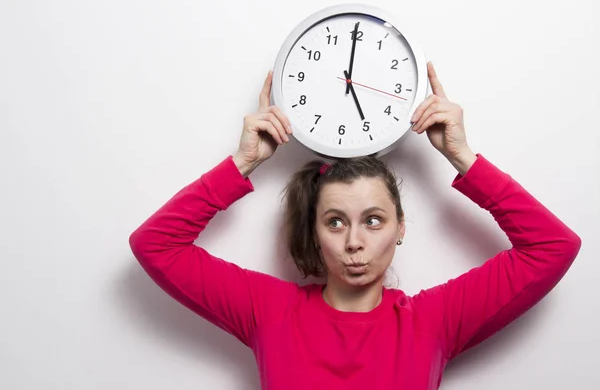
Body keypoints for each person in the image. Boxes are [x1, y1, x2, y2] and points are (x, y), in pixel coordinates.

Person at [129, 62, 581, 389]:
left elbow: (553, 247)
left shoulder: (432, 322)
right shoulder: (270, 311)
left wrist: (462, 157)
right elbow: (155, 246)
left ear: (400, 227)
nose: (354, 242)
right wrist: (244, 162)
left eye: (373, 220)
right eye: (335, 222)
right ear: (315, 232)